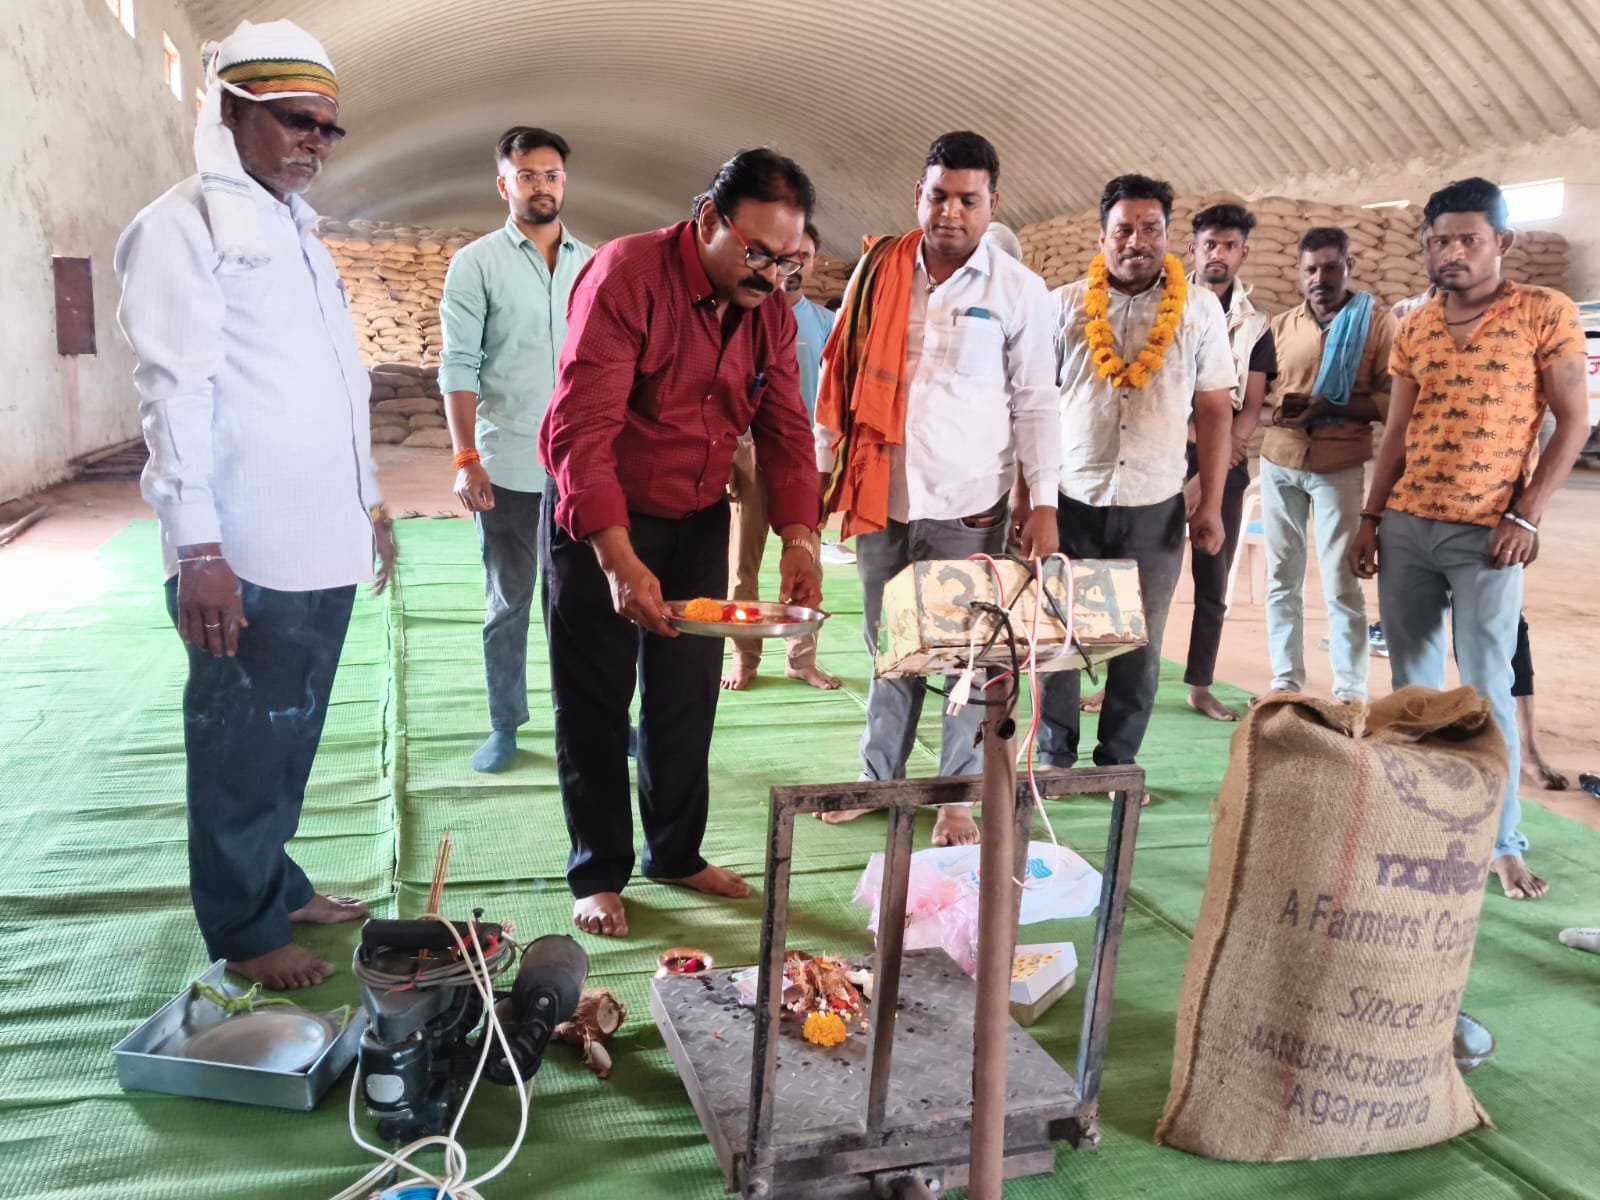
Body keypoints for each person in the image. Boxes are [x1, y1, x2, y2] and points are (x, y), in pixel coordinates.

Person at [114, 19, 393, 989]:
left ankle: (277, 880)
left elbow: (334, 384)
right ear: (228, 110)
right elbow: (174, 393)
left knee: (291, 728)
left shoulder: (294, 230)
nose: (314, 140)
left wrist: (370, 504)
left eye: (326, 127)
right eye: (293, 121)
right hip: (241, 550)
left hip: (321, 538)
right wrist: (198, 549)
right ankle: (243, 928)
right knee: (239, 742)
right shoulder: (180, 227)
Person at [538, 149, 823, 938]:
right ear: (708, 221)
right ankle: (598, 871)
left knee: (686, 696)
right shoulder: (627, 275)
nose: (770, 275)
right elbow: (582, 430)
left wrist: (799, 537)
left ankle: (675, 854)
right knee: (595, 698)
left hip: (697, 514)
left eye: (787, 260)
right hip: (603, 517)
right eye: (757, 254)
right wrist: (618, 561)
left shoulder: (770, 308)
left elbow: (786, 427)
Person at [813, 131, 1060, 847]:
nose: (951, 211)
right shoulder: (877, 271)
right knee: (890, 648)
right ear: (918, 196)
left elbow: (1037, 403)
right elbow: (841, 378)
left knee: (965, 654)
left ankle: (956, 797)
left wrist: (1041, 501)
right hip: (881, 497)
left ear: (992, 204)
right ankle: (880, 779)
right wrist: (824, 474)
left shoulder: (1018, 291)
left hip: (968, 503)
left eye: (968, 199)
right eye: (938, 196)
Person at [1351, 177, 1589, 901]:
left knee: (1486, 688)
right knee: (1413, 687)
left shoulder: (1544, 314)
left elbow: (1574, 420)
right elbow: (1396, 431)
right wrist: (1370, 517)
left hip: (1487, 535)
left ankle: (1501, 842)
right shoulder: (1417, 325)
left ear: (1502, 243)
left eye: (1468, 239)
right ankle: (1418, 821)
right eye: (1439, 240)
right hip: (1408, 527)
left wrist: (1527, 515)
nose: (1452, 252)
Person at [1028, 175, 1235, 772]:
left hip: (1155, 503)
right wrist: (1028, 498)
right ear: (1102, 237)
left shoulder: (1198, 310)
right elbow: (1034, 405)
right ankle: (1054, 759)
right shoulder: (1064, 306)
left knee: (1138, 647)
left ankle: (1117, 764)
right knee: (1061, 635)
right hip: (1072, 496)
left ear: (1170, 237)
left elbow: (1215, 409)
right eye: (1123, 229)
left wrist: (1211, 503)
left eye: (1151, 229)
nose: (1136, 241)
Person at [440, 127, 594, 774]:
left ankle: (595, 725)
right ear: (504, 185)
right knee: (509, 604)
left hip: (584, 470)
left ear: (565, 182)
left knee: (588, 607)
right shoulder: (476, 264)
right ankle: (505, 724)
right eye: (527, 175)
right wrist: (465, 458)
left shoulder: (594, 264)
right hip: (506, 468)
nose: (541, 185)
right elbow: (459, 363)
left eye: (551, 174)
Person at [1258, 228, 1395, 704]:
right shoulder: (1281, 326)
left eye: (1331, 266)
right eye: (1311, 269)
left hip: (1338, 465)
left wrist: (1331, 406)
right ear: (1299, 273)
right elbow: (1257, 399)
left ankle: (1350, 692)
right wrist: (1281, 414)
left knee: (1341, 581)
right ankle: (1285, 681)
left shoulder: (1376, 324)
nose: (1321, 278)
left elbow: (1390, 401)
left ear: (1349, 267)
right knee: (1282, 577)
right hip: (1281, 460)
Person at [722, 221, 840, 692]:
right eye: (781, 255)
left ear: (811, 262)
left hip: (806, 457)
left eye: (802, 257)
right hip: (748, 450)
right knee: (740, 565)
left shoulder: (827, 325)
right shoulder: (744, 314)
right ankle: (744, 659)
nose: (790, 266)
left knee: (807, 561)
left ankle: (801, 658)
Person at [1181, 204, 1276, 721]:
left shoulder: (1255, 325)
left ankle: (1199, 684)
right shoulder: (1167, 305)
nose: (1218, 254)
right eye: (1209, 244)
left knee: (1212, 576)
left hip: (1226, 458)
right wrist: (1196, 446)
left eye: (1229, 246)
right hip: (1162, 454)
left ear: (1244, 253)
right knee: (1142, 576)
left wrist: (1216, 465)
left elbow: (1253, 402)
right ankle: (1122, 683)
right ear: (1193, 248)